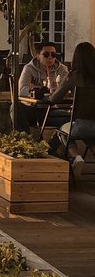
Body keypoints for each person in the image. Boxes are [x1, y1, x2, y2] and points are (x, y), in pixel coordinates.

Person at [47, 41, 95, 177]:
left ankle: (76, 157)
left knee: (62, 130)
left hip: (80, 125)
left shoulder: (74, 76)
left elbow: (54, 99)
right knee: (90, 135)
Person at [16, 41, 69, 132]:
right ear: (38, 55)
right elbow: (22, 89)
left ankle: (52, 145)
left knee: (69, 121)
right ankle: (24, 140)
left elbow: (66, 89)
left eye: (53, 54)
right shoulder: (29, 68)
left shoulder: (62, 69)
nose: (50, 58)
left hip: (53, 110)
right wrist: (38, 91)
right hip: (34, 108)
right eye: (46, 54)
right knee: (16, 108)